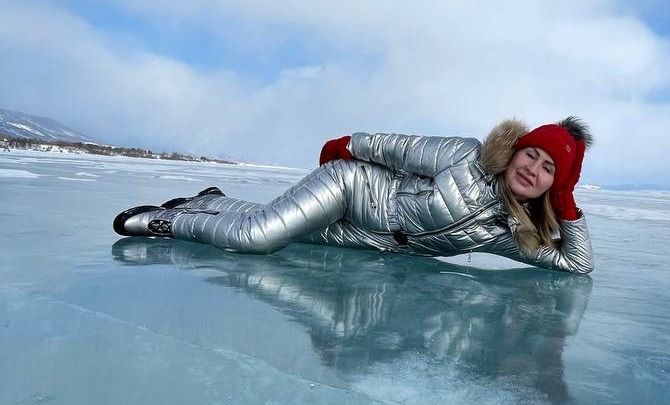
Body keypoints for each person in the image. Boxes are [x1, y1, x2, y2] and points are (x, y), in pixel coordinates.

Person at [112, 117, 594, 274]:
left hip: (369, 239)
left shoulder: (509, 232)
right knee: (260, 237)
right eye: (532, 154)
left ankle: (208, 200)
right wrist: (345, 148)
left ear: (556, 184)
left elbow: (577, 265)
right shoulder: (465, 157)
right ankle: (163, 220)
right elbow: (396, 148)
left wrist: (569, 201)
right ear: (515, 152)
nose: (533, 168)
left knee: (282, 230)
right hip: (352, 189)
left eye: (550, 168)